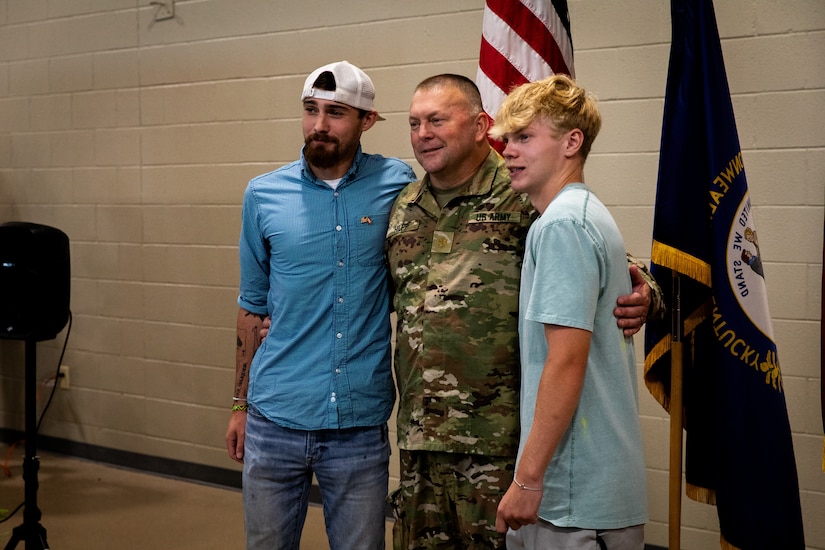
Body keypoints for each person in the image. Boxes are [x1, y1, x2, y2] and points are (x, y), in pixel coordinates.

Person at [385, 74, 661, 549]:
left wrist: (646, 291)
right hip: (421, 439)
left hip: (498, 441)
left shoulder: (524, 191)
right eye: (414, 123)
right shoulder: (404, 206)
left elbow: (600, 260)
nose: (423, 133)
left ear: (478, 126)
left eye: (436, 120)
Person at [225, 60, 417, 550]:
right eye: (311, 110)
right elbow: (252, 307)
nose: (320, 125)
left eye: (336, 112)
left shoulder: (399, 183)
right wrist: (239, 405)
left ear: (367, 121)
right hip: (274, 419)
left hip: (356, 427)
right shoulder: (263, 194)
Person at [490, 75, 648, 549]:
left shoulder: (562, 226)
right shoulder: (581, 214)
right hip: (584, 492)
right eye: (507, 139)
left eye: (524, 137)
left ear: (572, 142)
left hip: (574, 499)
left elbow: (566, 361)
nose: (508, 152)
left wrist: (528, 480)